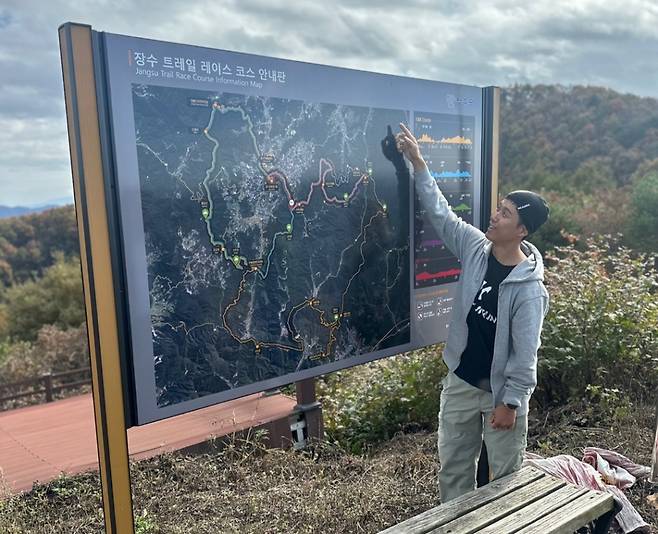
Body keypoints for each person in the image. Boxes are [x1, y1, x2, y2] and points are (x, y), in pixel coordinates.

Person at [390, 122, 550, 502]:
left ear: (522, 230)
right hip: (461, 382)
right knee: (454, 470)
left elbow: (527, 354)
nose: (495, 216)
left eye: (506, 213)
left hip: (500, 394)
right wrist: (418, 162)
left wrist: (510, 404)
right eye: (499, 208)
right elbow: (442, 214)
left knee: (504, 480)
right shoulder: (476, 248)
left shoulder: (530, 290)